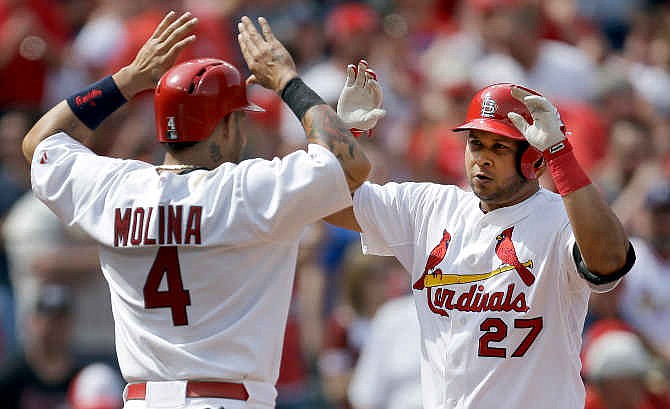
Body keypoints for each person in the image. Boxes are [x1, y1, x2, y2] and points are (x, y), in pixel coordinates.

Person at [22, 11, 381, 409]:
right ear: (225, 127)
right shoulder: (247, 190)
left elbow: (40, 140)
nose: (243, 131)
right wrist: (287, 82)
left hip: (143, 400)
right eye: (239, 119)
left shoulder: (115, 188)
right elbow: (350, 164)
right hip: (227, 399)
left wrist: (132, 79)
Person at [326, 82, 635, 409]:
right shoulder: (429, 207)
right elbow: (324, 202)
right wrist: (343, 135)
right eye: (476, 144)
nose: (482, 159)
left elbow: (610, 260)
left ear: (534, 158)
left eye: (499, 148)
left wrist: (560, 153)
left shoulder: (562, 219)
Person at [0, 284, 81, 409]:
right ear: (32, 323)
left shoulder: (83, 379)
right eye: (48, 320)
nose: (54, 328)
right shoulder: (11, 376)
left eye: (60, 321)